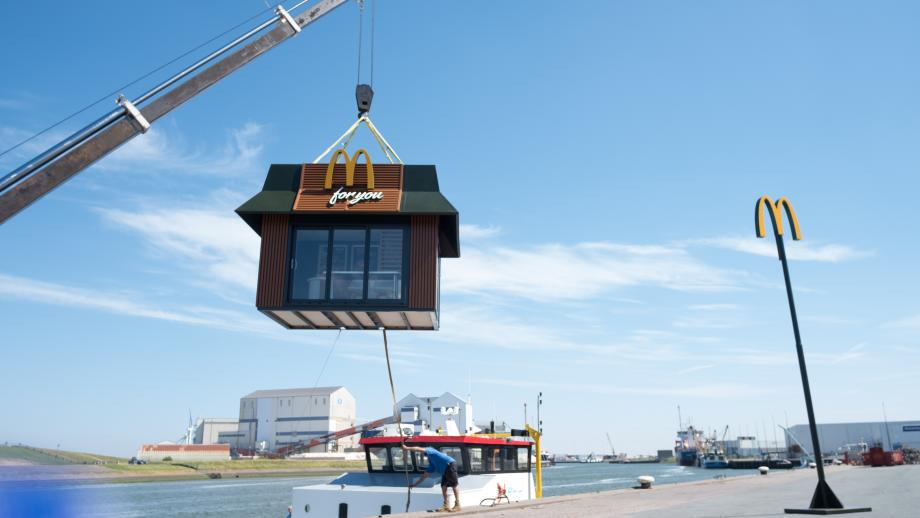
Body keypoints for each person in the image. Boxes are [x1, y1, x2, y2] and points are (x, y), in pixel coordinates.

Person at [401, 442, 461, 513]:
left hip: (450, 465)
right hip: (445, 470)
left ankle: (458, 505)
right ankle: (446, 505)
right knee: (443, 486)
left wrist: (407, 448)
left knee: (454, 485)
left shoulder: (431, 450)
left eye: (422, 451)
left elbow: (418, 449)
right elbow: (424, 476)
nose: (422, 453)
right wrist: (415, 485)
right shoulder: (432, 462)